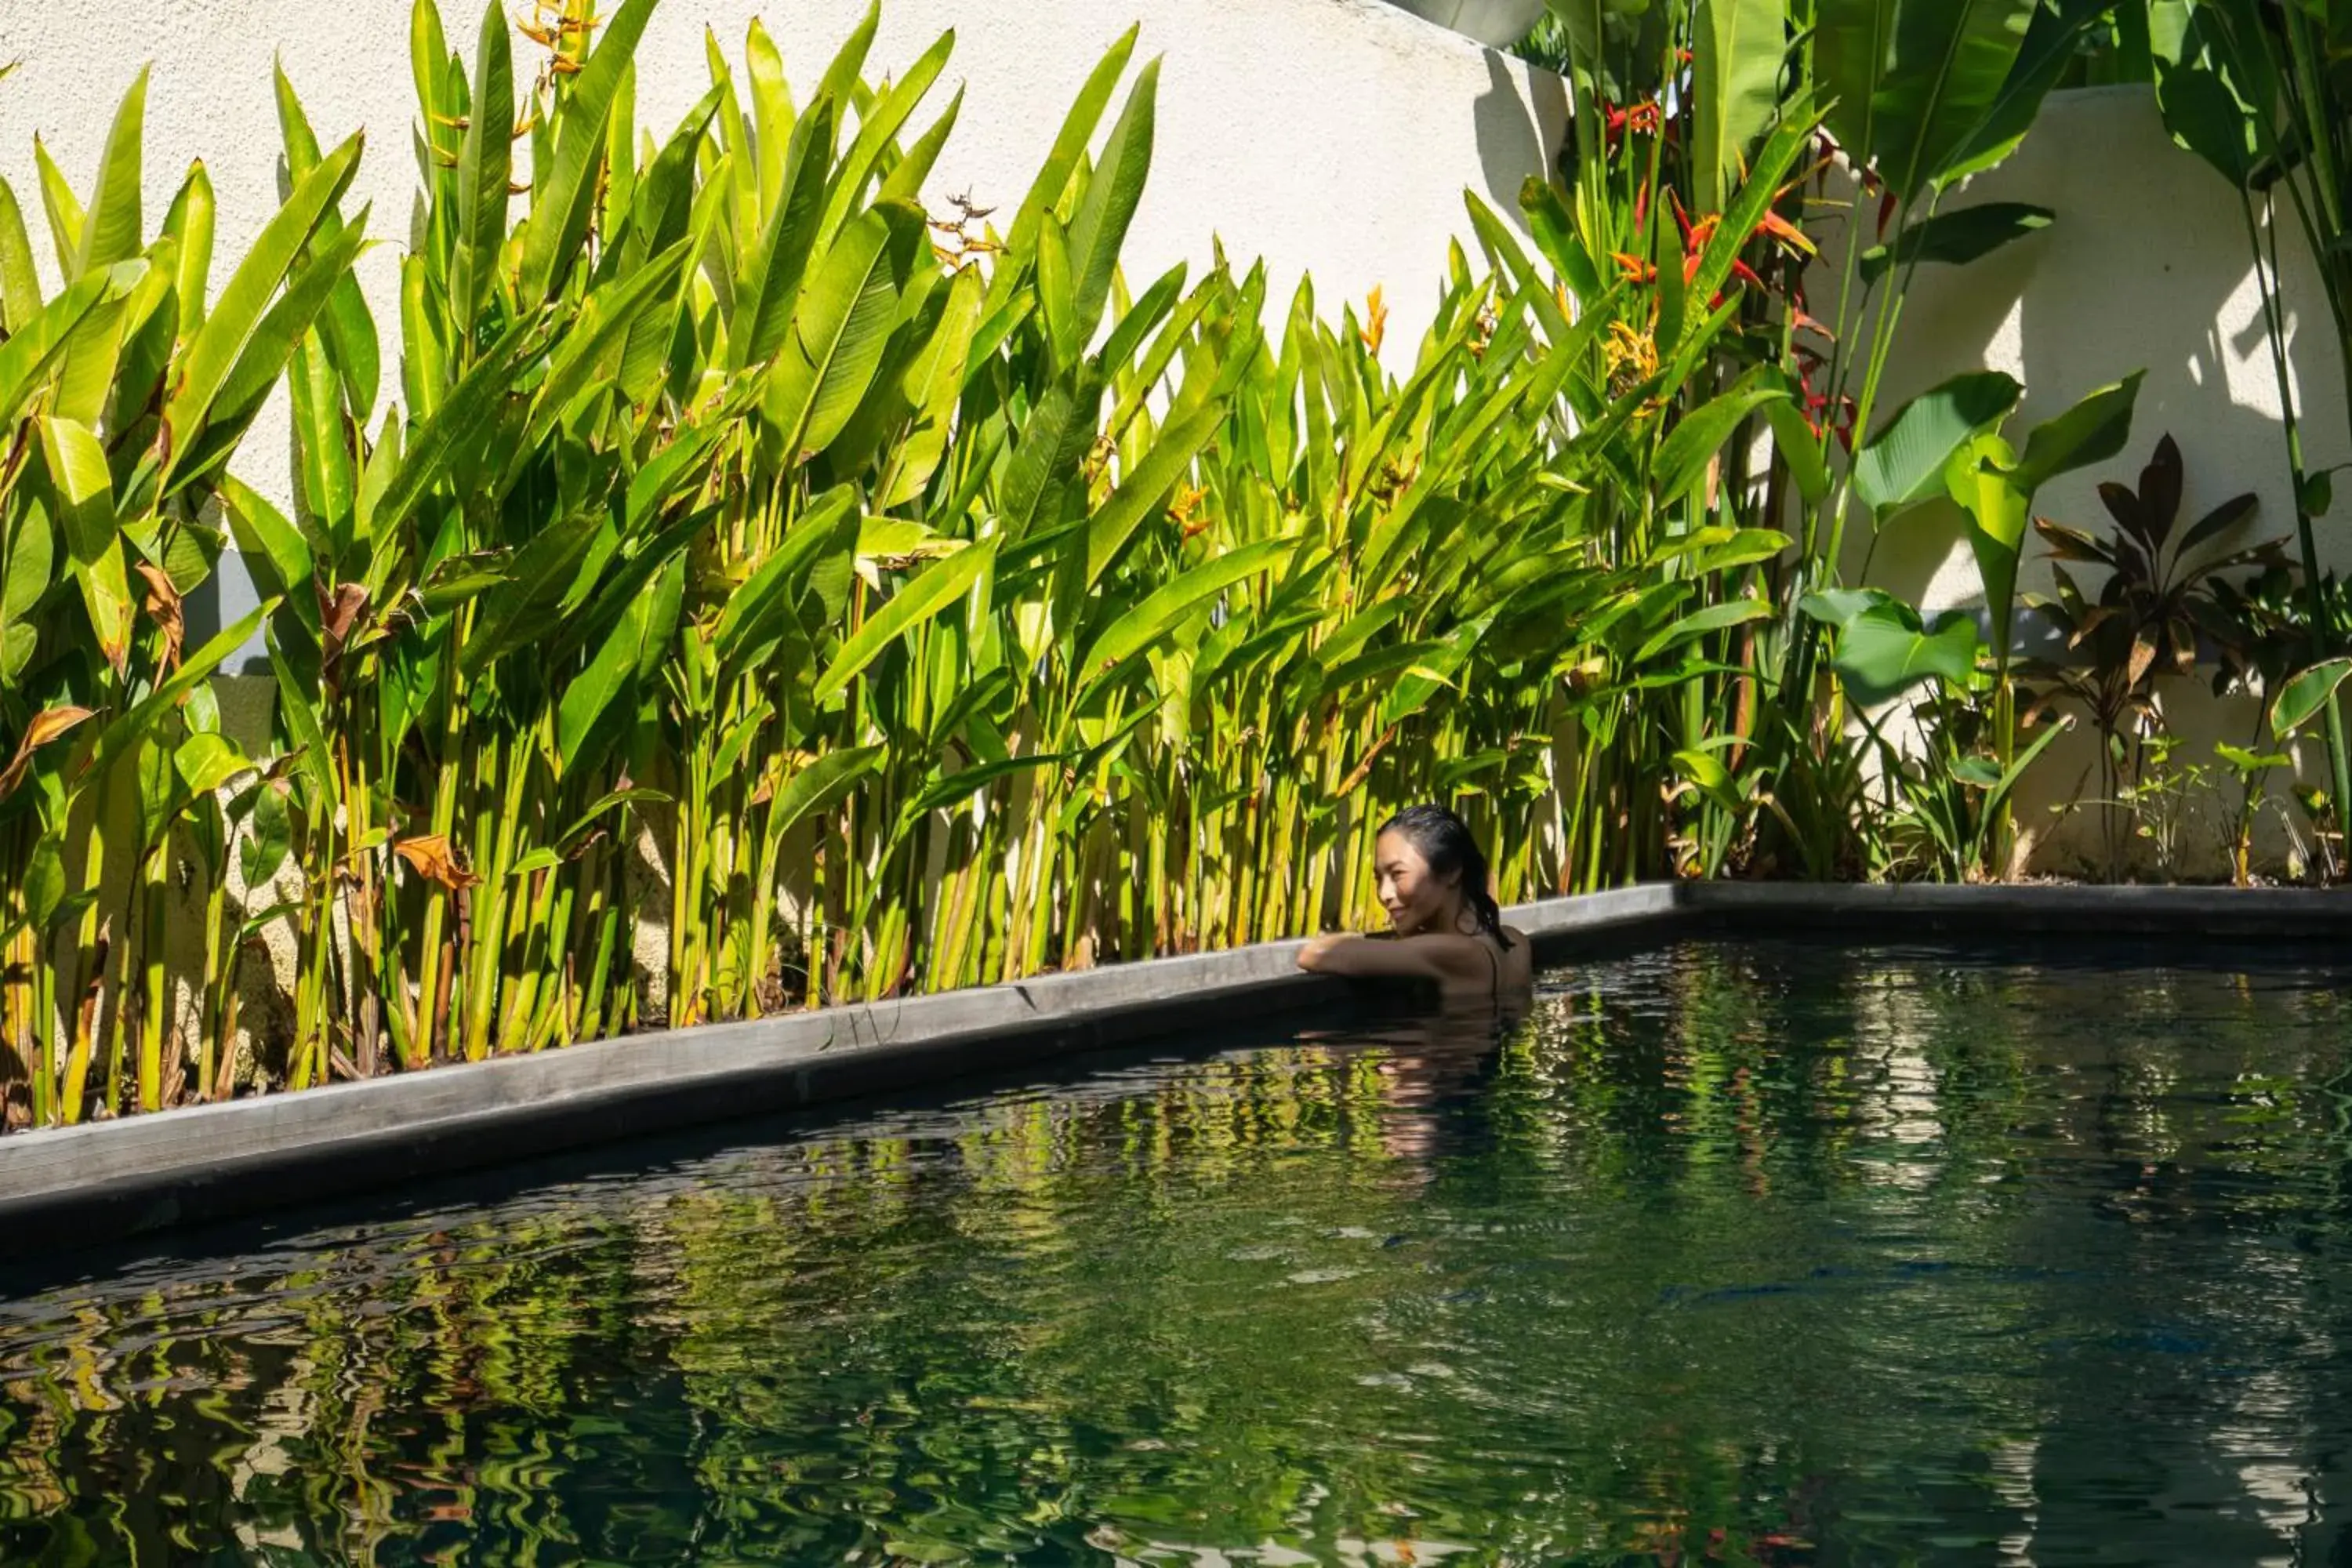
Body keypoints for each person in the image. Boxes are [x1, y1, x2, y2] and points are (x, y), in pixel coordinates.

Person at [1296, 804, 1533, 1006]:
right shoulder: (1516, 941)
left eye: (1398, 874)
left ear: (1451, 872)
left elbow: (1314, 954)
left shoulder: (1454, 952)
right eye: (1378, 878)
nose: (1383, 893)